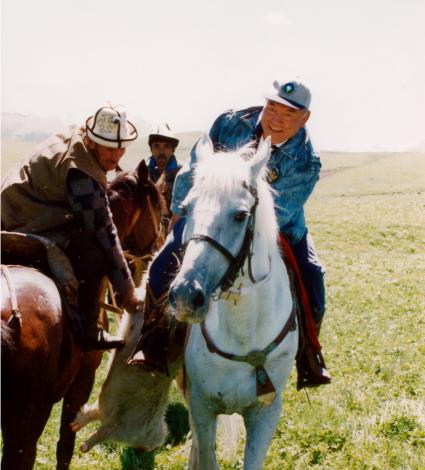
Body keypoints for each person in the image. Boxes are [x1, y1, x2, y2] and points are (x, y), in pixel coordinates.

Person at [130, 80, 331, 387]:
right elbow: (193, 169)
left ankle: (307, 356)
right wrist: (181, 212)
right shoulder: (230, 122)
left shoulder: (306, 160)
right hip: (209, 212)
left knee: (313, 281)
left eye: (288, 114)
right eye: (272, 108)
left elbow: (278, 214)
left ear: (305, 118)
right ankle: (153, 342)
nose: (275, 119)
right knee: (161, 266)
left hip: (279, 225)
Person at [1, 104, 142, 350]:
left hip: (12, 204)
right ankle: (88, 332)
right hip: (25, 215)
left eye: (121, 148)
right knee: (94, 251)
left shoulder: (77, 137)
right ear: (92, 142)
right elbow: (104, 232)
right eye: (109, 148)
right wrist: (127, 290)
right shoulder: (82, 171)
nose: (116, 155)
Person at [147, 123, 182, 209]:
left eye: (166, 146)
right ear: (151, 149)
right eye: (157, 146)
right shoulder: (143, 172)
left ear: (172, 150)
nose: (161, 151)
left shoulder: (183, 172)